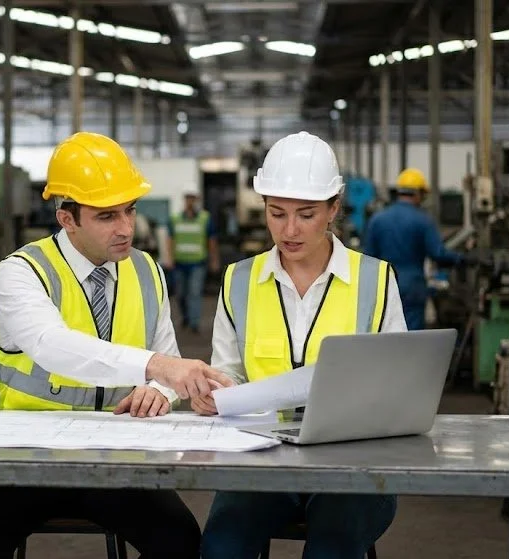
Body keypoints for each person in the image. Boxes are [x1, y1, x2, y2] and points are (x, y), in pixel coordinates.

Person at [0, 131, 233, 559]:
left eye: (129, 211)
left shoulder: (145, 270)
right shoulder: (22, 273)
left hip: (115, 456)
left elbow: (168, 364)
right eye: (106, 216)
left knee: (181, 543)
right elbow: (52, 346)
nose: (125, 228)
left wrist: (159, 392)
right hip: (23, 459)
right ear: (67, 218)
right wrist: (158, 369)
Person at [193, 131, 406, 559]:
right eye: (277, 213)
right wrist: (214, 392)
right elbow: (228, 372)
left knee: (331, 550)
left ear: (334, 208)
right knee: (221, 548)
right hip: (261, 464)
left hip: (353, 467)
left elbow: (398, 385)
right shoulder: (238, 281)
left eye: (306, 215)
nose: (289, 230)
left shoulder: (376, 280)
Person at [363, 167, 466, 330]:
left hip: (383, 284)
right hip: (413, 286)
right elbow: (438, 254)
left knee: (383, 331)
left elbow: (367, 258)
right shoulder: (423, 221)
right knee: (410, 336)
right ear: (418, 194)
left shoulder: (377, 220)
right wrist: (462, 258)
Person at [164, 190, 220, 332]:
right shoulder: (175, 218)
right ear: (184, 199)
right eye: (188, 198)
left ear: (197, 200)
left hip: (198, 263)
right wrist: (169, 258)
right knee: (181, 294)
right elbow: (170, 239)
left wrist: (214, 260)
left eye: (193, 198)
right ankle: (186, 317)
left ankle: (194, 323)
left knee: (195, 293)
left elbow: (211, 241)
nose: (190, 201)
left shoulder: (205, 218)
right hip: (179, 263)